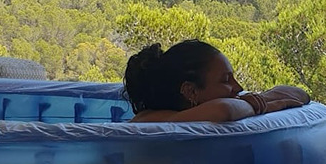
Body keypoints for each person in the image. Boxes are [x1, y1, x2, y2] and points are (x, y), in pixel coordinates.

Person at [124, 39, 310, 123]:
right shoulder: (148, 121)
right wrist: (259, 106)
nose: (238, 87)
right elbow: (224, 110)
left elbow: (299, 94)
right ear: (191, 92)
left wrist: (262, 99)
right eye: (226, 80)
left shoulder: (195, 113)